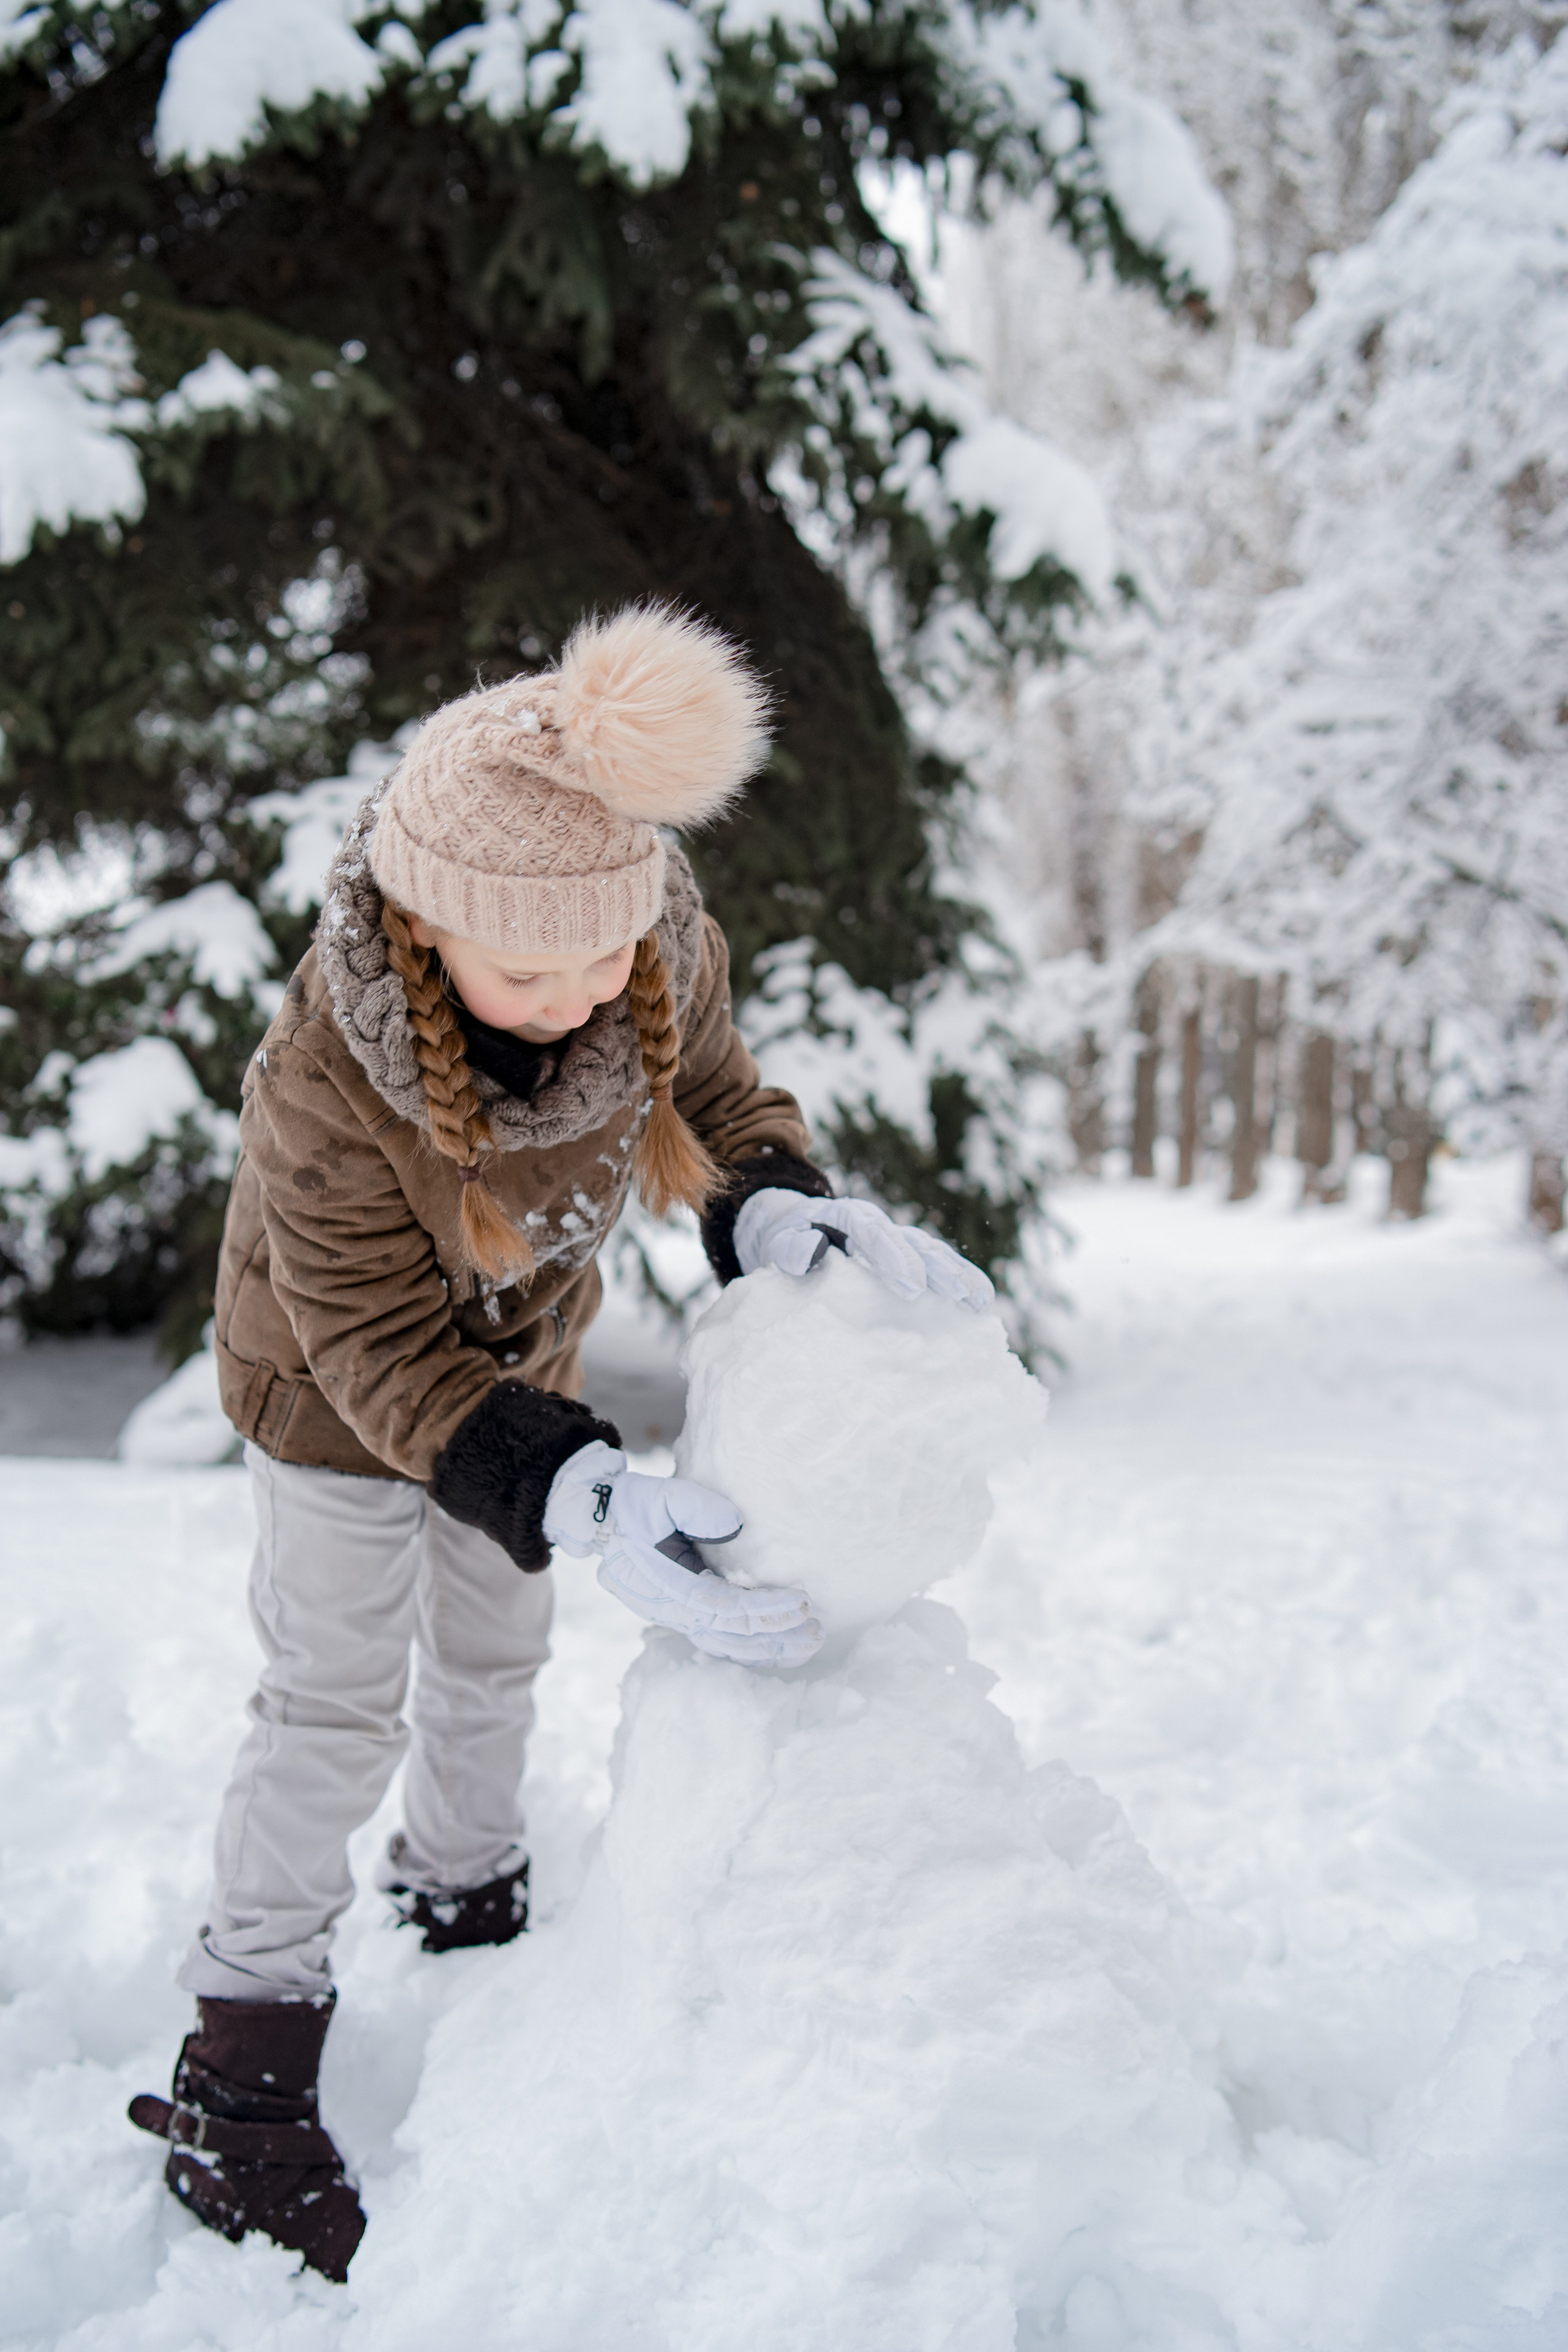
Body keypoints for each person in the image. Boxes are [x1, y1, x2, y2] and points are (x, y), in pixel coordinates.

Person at [127, 604, 992, 2280]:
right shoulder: (327, 1069)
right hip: (329, 1396)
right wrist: (570, 1483)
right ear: (432, 927)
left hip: (519, 1371)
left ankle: (465, 1900)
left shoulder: (643, 939)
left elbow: (725, 1098)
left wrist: (775, 1216)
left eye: (611, 959)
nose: (588, 993)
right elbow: (372, 1336)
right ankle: (241, 2070)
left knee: (498, 1649)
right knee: (331, 1701)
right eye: (536, 972)